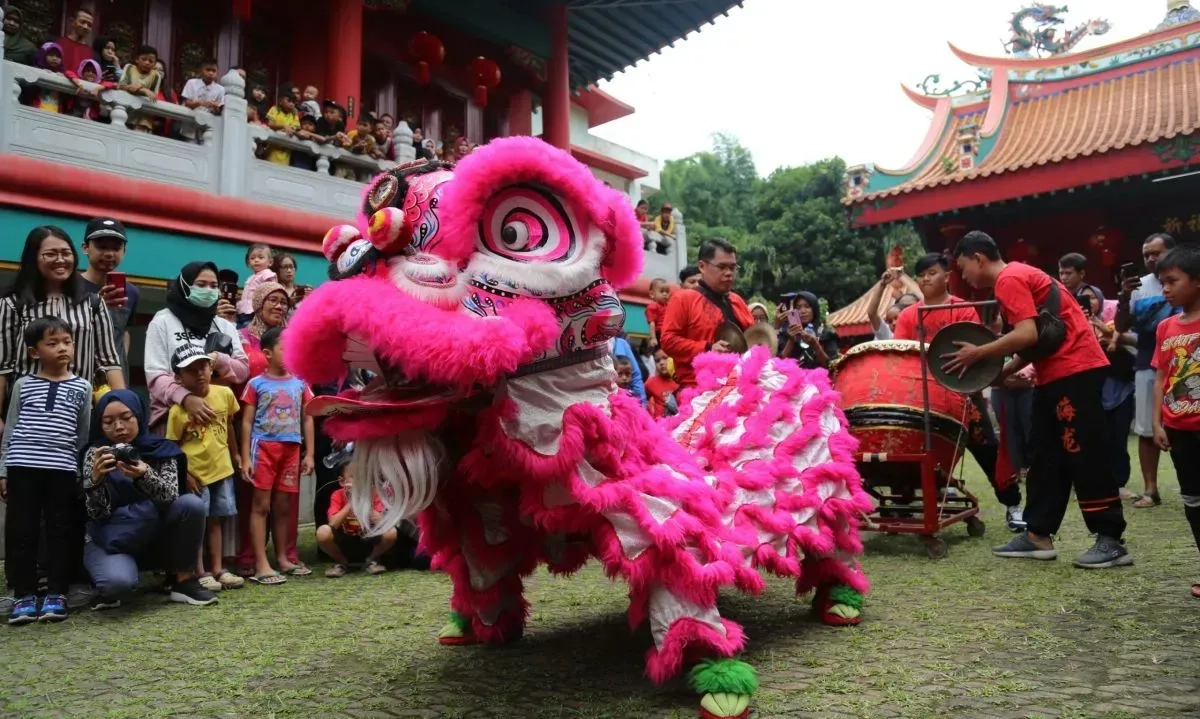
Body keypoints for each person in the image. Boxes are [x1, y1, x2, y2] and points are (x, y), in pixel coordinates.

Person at [944, 231, 1130, 569]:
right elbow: (1037, 339)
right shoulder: (1019, 275)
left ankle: (1110, 538)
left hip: (1074, 370)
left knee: (1084, 452)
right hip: (1055, 373)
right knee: (1044, 454)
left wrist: (979, 354)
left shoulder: (1009, 278)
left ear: (978, 258)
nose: (964, 276)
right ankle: (1037, 534)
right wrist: (1003, 372)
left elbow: (1026, 333)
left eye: (963, 267)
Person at [892, 253, 1025, 529]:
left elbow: (975, 352)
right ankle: (900, 505)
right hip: (921, 398)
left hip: (963, 395)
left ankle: (1012, 505)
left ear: (947, 276)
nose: (925, 279)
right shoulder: (907, 315)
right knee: (908, 447)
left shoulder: (963, 309)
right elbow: (900, 357)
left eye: (931, 273)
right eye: (921, 275)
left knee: (988, 448)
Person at [81, 390, 217, 608]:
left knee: (191, 504)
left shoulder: (160, 449)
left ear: (139, 415)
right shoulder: (96, 454)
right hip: (112, 537)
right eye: (108, 422)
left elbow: (171, 497)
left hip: (153, 531)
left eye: (126, 418)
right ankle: (112, 574)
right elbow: (95, 514)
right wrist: (95, 481)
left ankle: (183, 581)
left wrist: (145, 475)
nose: (119, 427)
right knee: (117, 584)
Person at [1, 317, 92, 624]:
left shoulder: (82, 387)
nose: (62, 348)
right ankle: (24, 594)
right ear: (34, 352)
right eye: (52, 343)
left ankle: (57, 592)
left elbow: (82, 434)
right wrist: (3, 470)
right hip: (22, 466)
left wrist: (79, 472)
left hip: (62, 470)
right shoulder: (23, 385)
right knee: (21, 531)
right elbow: (11, 428)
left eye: (67, 342)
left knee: (59, 531)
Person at [0, 226, 124, 435]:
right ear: (33, 259)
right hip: (26, 416)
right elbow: (2, 366)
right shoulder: (13, 304)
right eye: (50, 254)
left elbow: (109, 361)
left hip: (78, 415)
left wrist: (124, 408)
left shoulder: (93, 304)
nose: (60, 260)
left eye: (66, 253)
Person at [165, 346, 244, 592]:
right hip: (196, 475)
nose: (200, 373)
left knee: (216, 520)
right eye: (191, 370)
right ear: (179, 377)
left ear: (211, 368)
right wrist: (185, 474)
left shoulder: (225, 394)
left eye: (203, 366)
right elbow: (172, 447)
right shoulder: (178, 411)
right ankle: (200, 571)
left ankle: (218, 568)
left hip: (222, 469)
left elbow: (229, 426)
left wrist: (236, 454)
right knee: (197, 523)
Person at [240, 328, 315, 584]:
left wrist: (310, 454)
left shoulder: (300, 383)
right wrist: (245, 457)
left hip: (292, 449)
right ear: (268, 353)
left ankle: (283, 558)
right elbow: (246, 422)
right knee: (260, 506)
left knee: (283, 506)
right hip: (263, 448)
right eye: (284, 348)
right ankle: (261, 563)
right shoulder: (255, 384)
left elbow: (308, 417)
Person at [1149, 245, 1200, 599]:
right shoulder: (1165, 327)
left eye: (1172, 281)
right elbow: (1160, 378)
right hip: (1179, 429)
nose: (1165, 289)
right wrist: (1157, 423)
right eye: (1162, 283)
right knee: (1193, 500)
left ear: (1197, 281)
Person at [143, 261, 246, 433]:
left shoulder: (225, 325)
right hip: (172, 418)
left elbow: (242, 370)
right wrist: (186, 398)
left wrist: (218, 360)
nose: (208, 290)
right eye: (201, 284)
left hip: (217, 419)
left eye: (214, 286)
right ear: (185, 285)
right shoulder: (163, 322)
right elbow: (155, 375)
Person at [1116, 233, 1179, 509]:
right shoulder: (1138, 288)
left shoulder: (1188, 279)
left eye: (1157, 253)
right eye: (1146, 255)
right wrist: (1124, 295)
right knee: (1145, 428)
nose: (1151, 258)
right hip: (1147, 363)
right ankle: (1151, 489)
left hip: (1185, 362)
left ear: (1172, 252)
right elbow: (1120, 326)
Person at [661, 238, 755, 392]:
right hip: (698, 389)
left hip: (740, 387)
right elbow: (668, 341)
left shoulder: (737, 301)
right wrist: (707, 348)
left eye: (732, 267)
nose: (729, 273)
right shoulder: (683, 299)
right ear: (702, 266)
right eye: (722, 267)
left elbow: (752, 338)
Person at [79, 218, 139, 385]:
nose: (109, 253)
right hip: (79, 376)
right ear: (85, 248)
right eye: (102, 246)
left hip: (115, 380)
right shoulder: (70, 287)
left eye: (116, 248)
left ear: (124, 251)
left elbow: (124, 331)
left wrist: (120, 361)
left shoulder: (131, 292)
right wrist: (96, 307)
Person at [317, 457, 397, 577]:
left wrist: (364, 501)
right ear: (342, 482)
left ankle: (371, 560)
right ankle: (342, 562)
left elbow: (382, 521)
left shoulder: (374, 493)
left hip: (368, 539)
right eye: (354, 477)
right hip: (345, 540)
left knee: (391, 532)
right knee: (323, 532)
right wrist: (351, 502)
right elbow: (332, 523)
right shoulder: (337, 495)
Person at [780, 291, 839, 369]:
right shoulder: (788, 332)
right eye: (798, 307)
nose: (802, 311)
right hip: (792, 375)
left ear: (814, 309)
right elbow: (780, 363)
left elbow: (832, 365)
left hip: (819, 376)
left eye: (807, 307)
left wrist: (815, 345)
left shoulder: (826, 333)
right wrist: (791, 340)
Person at [237, 244, 277, 327]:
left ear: (270, 262)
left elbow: (271, 292)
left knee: (249, 330)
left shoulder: (267, 274)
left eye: (261, 257)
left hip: (255, 312)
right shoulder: (251, 277)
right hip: (244, 311)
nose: (256, 260)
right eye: (252, 258)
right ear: (248, 262)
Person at [56, 8, 95, 77]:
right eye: (82, 22)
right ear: (72, 21)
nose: (86, 27)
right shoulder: (58, 44)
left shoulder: (92, 54)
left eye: (89, 25)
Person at [609, 333, 646, 405]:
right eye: (620, 374)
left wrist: (642, 406)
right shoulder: (610, 395)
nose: (624, 378)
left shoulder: (633, 395)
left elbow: (636, 376)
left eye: (627, 374)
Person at [644, 351, 679, 420]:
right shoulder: (651, 383)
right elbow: (642, 401)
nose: (661, 363)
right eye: (657, 361)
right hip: (661, 423)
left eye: (665, 358)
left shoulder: (680, 380)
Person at [646, 277, 670, 349]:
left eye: (667, 292)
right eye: (661, 292)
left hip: (669, 334)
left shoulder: (668, 305)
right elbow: (652, 323)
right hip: (659, 334)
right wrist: (653, 338)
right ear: (652, 294)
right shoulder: (653, 306)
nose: (665, 294)